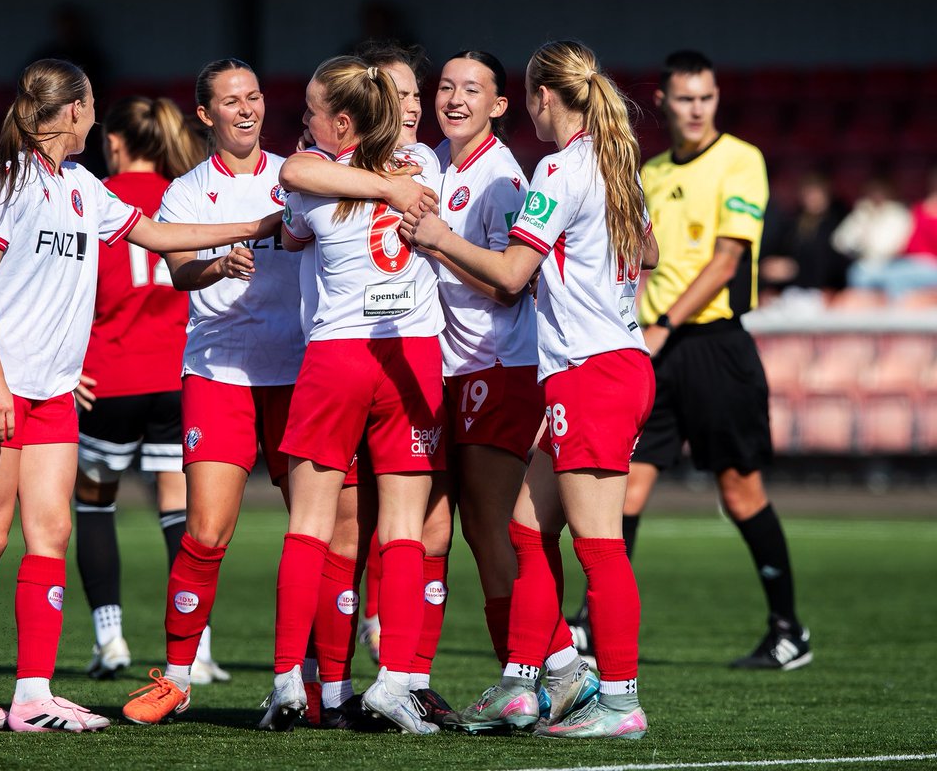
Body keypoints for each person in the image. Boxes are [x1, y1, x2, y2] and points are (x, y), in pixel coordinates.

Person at [0, 58, 277, 733]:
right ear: (73, 111)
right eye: (91, 103)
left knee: (53, 531)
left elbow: (158, 236)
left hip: (54, 388)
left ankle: (33, 696)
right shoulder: (10, 182)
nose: (98, 113)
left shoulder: (82, 187)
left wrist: (257, 226)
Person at [403, 39, 658, 739]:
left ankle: (621, 701)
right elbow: (650, 250)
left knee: (598, 544)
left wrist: (438, 239)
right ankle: (522, 683)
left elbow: (513, 275)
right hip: (609, 362)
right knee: (525, 528)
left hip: (592, 369)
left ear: (541, 98)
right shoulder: (614, 161)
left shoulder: (558, 166)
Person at [261, 55, 446, 736]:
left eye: (311, 111)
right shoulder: (424, 165)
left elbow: (292, 205)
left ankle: (288, 679)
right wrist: (387, 189)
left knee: (309, 527)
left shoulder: (313, 180)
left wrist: (353, 181)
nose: (301, 124)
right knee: (403, 531)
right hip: (408, 358)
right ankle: (396, 682)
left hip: (336, 356)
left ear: (342, 122)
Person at [121, 59, 305, 726]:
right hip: (220, 373)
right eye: (231, 101)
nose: (247, 109)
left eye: (254, 96)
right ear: (206, 115)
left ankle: (309, 678)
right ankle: (176, 678)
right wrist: (217, 263)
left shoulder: (298, 177)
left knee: (318, 532)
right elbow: (178, 271)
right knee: (205, 533)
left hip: (296, 372)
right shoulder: (187, 192)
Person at [623, 49, 812, 671]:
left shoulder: (741, 160)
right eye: (685, 98)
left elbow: (728, 261)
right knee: (622, 491)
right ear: (663, 102)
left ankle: (789, 631)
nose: (697, 108)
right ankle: (599, 623)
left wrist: (664, 326)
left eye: (706, 97)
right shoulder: (649, 172)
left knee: (739, 490)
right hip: (652, 347)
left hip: (712, 345)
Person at [71, 95, 229, 684]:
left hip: (108, 377)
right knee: (183, 515)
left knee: (94, 501)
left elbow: (71, 288)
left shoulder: (93, 196)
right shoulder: (183, 191)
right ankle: (200, 648)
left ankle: (110, 641)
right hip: (175, 378)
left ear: (114, 144)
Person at [846, 167, 937, 299]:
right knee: (861, 272)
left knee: (896, 278)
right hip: (907, 263)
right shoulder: (918, 209)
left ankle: (898, 315)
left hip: (930, 266)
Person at [759, 173, 849, 297]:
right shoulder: (793, 224)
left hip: (826, 294)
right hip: (793, 293)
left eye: (817, 193)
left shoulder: (837, 222)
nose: (813, 198)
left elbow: (832, 265)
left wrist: (795, 270)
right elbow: (781, 257)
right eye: (809, 194)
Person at [833, 177, 913, 291]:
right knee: (856, 272)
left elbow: (892, 248)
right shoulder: (862, 211)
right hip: (862, 265)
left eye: (880, 191)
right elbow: (839, 240)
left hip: (891, 266)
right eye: (873, 191)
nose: (876, 195)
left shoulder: (898, 213)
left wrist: (867, 243)